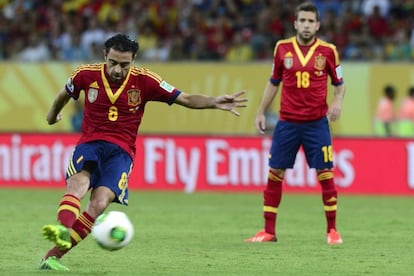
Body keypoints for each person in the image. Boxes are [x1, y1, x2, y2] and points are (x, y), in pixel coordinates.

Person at [39, 33, 247, 271]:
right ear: (104, 56)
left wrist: (214, 102)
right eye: (113, 62)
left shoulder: (146, 81)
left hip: (121, 154)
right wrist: (52, 115)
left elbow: (186, 99)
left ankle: (52, 257)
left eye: (125, 64)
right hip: (91, 143)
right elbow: (64, 95)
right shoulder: (85, 74)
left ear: (134, 60)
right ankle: (63, 230)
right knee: (78, 185)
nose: (118, 70)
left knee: (99, 204)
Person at [245, 2, 345, 245]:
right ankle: (268, 231)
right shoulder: (282, 48)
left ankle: (332, 231)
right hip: (287, 122)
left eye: (311, 21)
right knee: (275, 172)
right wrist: (260, 111)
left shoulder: (329, 51)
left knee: (325, 172)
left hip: (316, 123)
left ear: (318, 25)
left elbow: (339, 84)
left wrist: (337, 102)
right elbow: (273, 82)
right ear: (295, 23)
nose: (307, 25)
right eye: (303, 20)